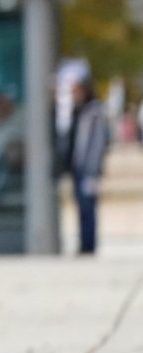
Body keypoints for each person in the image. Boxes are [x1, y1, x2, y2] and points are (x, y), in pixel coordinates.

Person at [65, 77, 108, 255]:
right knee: (81, 208)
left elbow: (98, 142)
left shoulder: (94, 111)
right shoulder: (78, 111)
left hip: (88, 168)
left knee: (88, 208)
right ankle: (84, 242)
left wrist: (94, 167)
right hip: (78, 167)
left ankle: (88, 244)